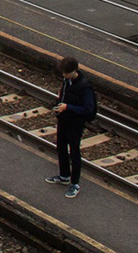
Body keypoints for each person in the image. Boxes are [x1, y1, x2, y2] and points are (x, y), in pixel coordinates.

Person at [47, 56, 96, 198]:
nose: (63, 75)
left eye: (65, 73)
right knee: (61, 147)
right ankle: (64, 175)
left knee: (74, 152)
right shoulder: (67, 80)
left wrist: (68, 107)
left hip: (75, 123)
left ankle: (75, 183)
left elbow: (88, 110)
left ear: (74, 71)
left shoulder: (85, 87)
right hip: (63, 119)